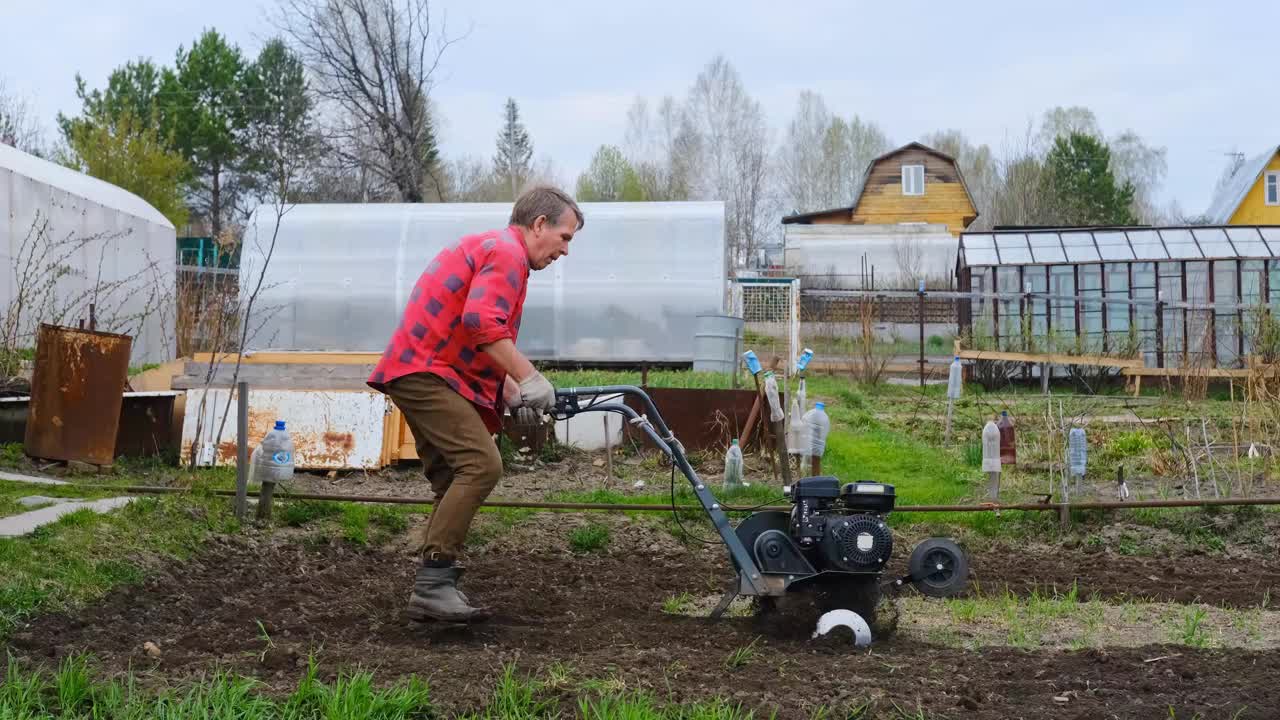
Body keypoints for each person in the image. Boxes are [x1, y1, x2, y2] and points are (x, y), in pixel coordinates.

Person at [367, 185, 584, 622]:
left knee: (452, 478)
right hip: (427, 373)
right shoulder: (507, 253)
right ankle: (432, 586)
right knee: (482, 466)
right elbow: (482, 322)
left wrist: (512, 392)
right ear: (539, 225)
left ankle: (434, 593)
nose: (564, 252)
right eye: (565, 238)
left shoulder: (494, 249)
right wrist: (529, 376)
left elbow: (474, 339)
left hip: (423, 368)